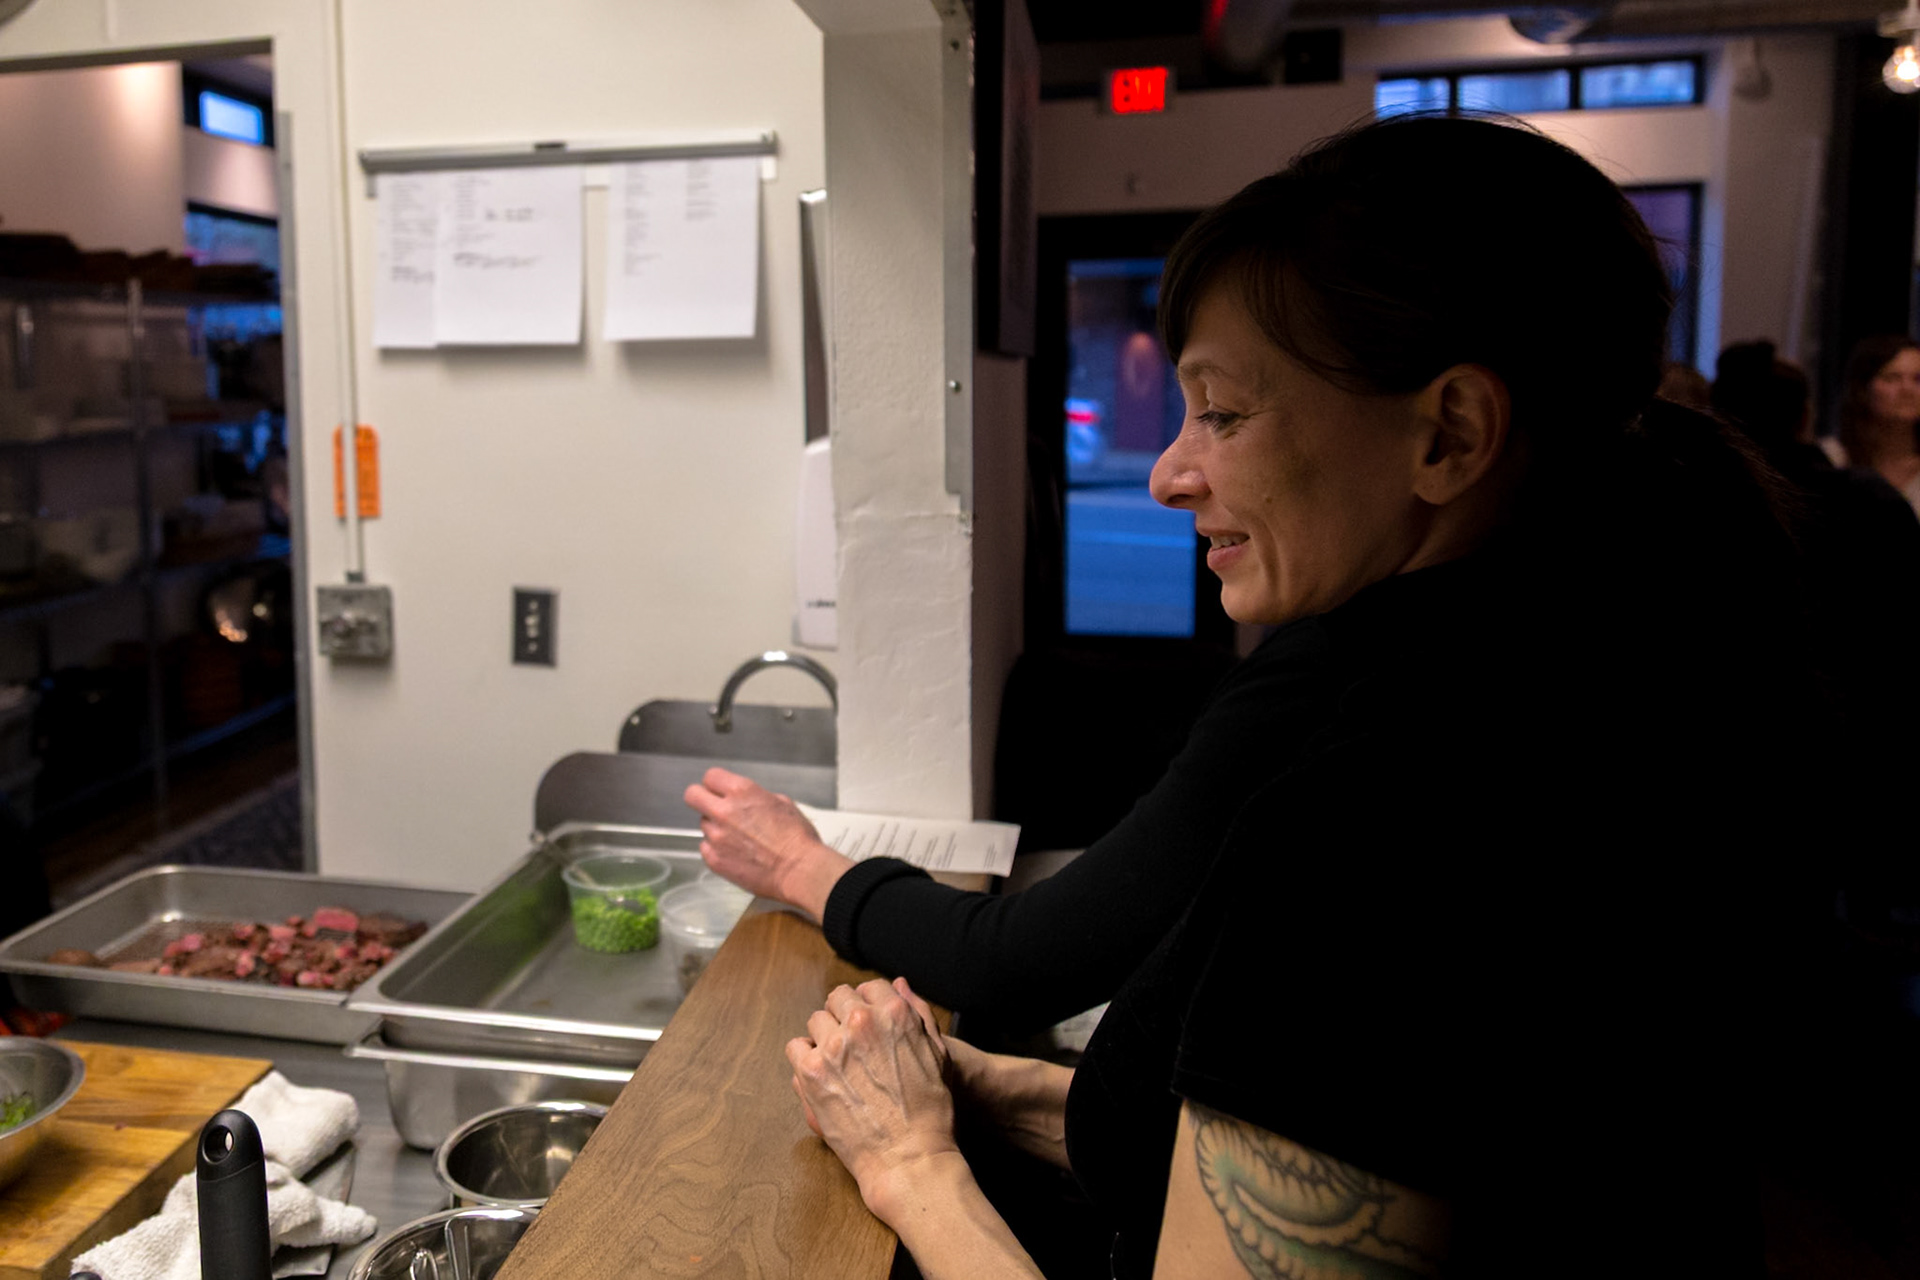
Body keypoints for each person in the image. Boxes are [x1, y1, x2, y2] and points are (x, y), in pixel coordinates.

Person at [765, 114, 1827, 1278]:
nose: (1172, 472)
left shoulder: (1396, 817)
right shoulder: (1627, 664)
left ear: (1451, 433)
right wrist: (967, 1084)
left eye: (1222, 411)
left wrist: (912, 1165)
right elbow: (1313, 1140)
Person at [1835, 334, 1920, 515]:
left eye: (1918, 379)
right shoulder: (1834, 459)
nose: (1907, 389)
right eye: (1892, 378)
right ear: (1863, 389)